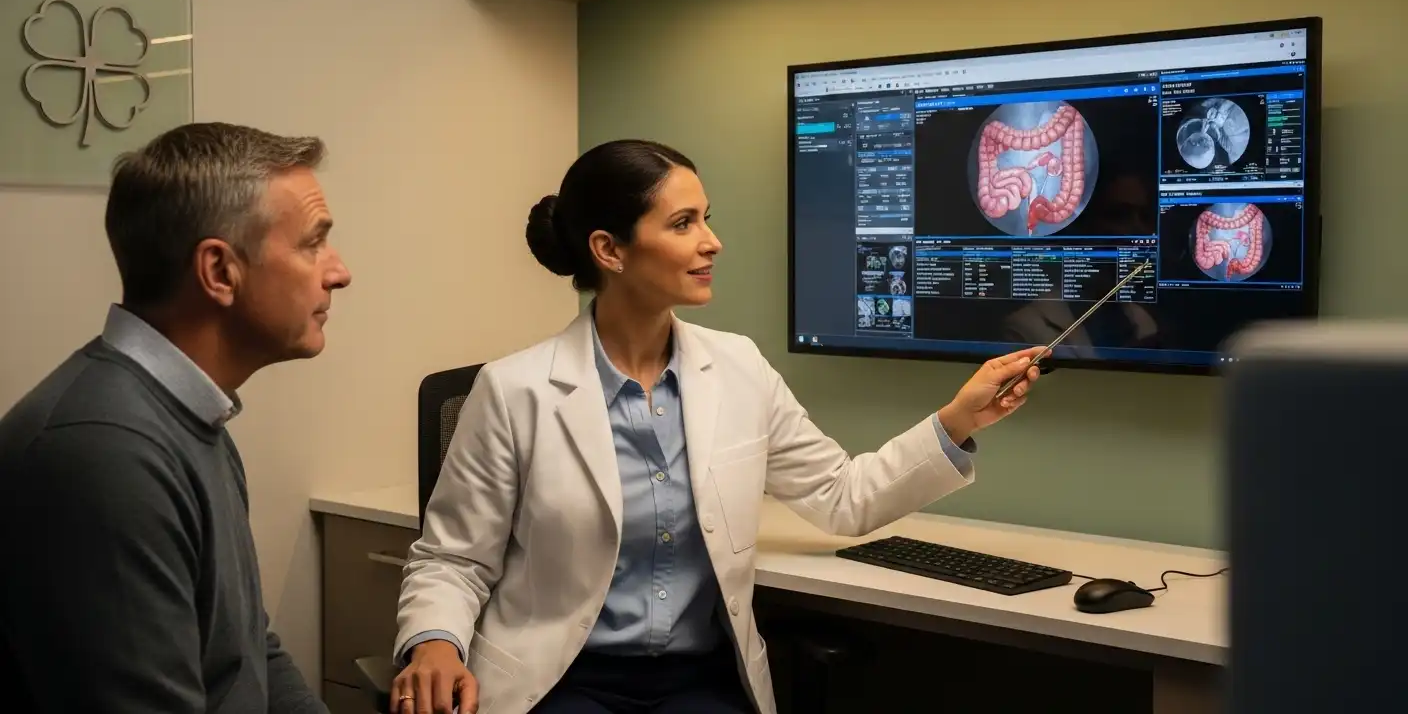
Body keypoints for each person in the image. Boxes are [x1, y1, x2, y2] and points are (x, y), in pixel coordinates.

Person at [391, 139, 1041, 714]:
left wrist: (960, 419)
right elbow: (452, 558)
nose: (712, 241)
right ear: (609, 249)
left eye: (707, 218)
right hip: (558, 680)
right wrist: (435, 644)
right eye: (684, 223)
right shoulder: (515, 390)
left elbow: (843, 496)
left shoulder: (738, 369)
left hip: (697, 680)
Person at [0, 122, 352, 713]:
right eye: (312, 244)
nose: (339, 271)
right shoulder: (104, 454)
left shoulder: (189, 415)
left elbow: (247, 652)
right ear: (219, 272)